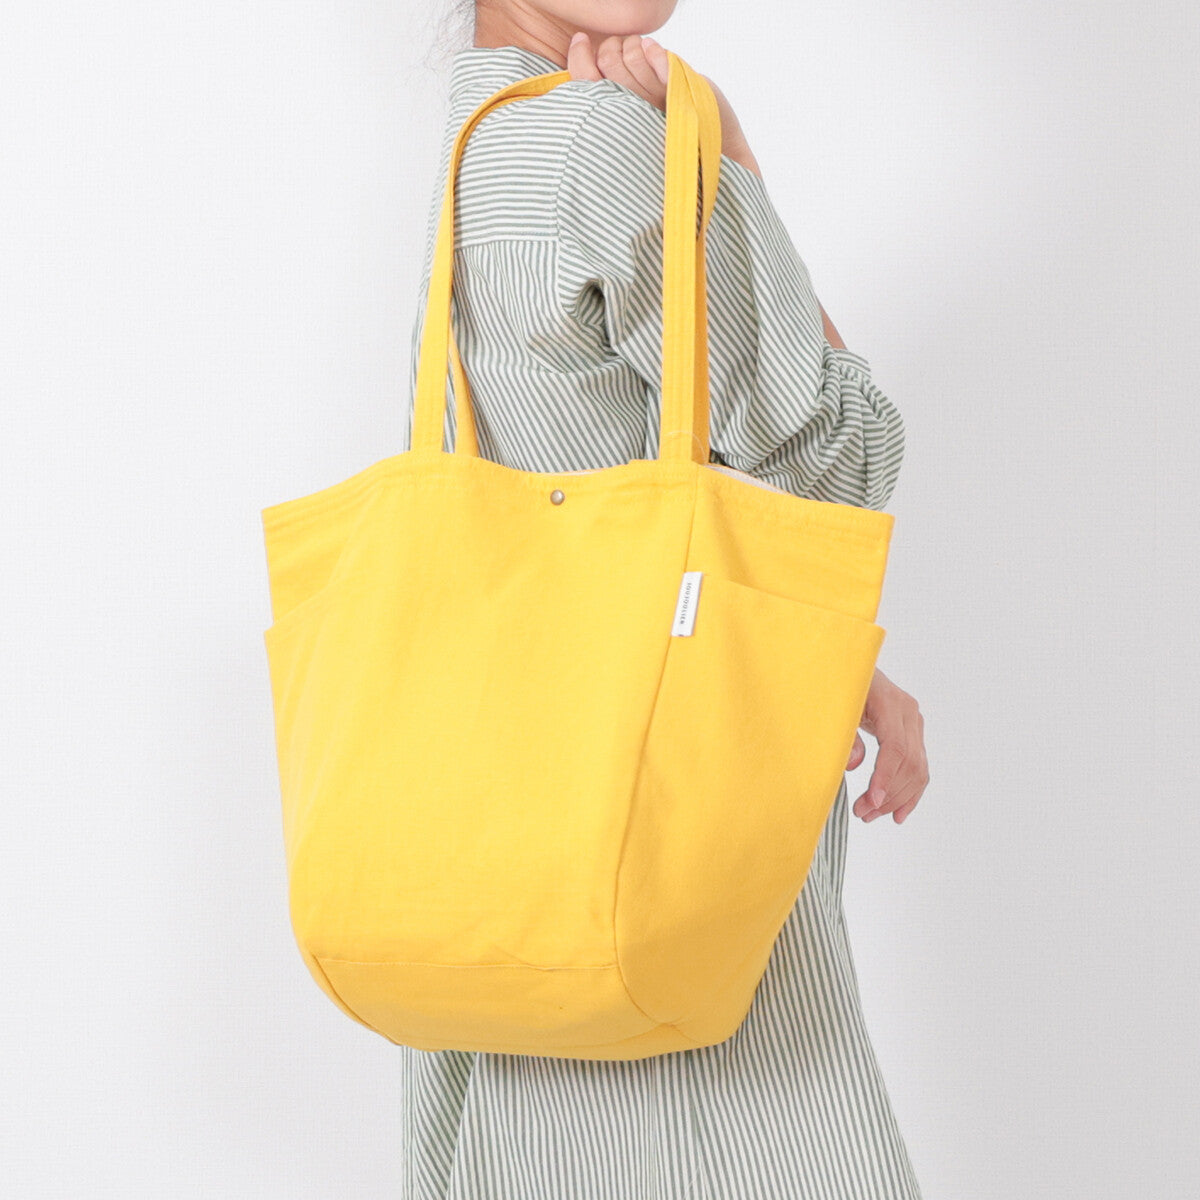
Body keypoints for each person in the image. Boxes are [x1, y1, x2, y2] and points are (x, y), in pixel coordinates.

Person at [399, 2, 931, 1196]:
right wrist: (730, 159)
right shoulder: (599, 140)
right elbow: (841, 462)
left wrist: (834, 660)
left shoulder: (483, 136)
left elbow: (570, 517)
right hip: (668, 905)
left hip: (525, 890)